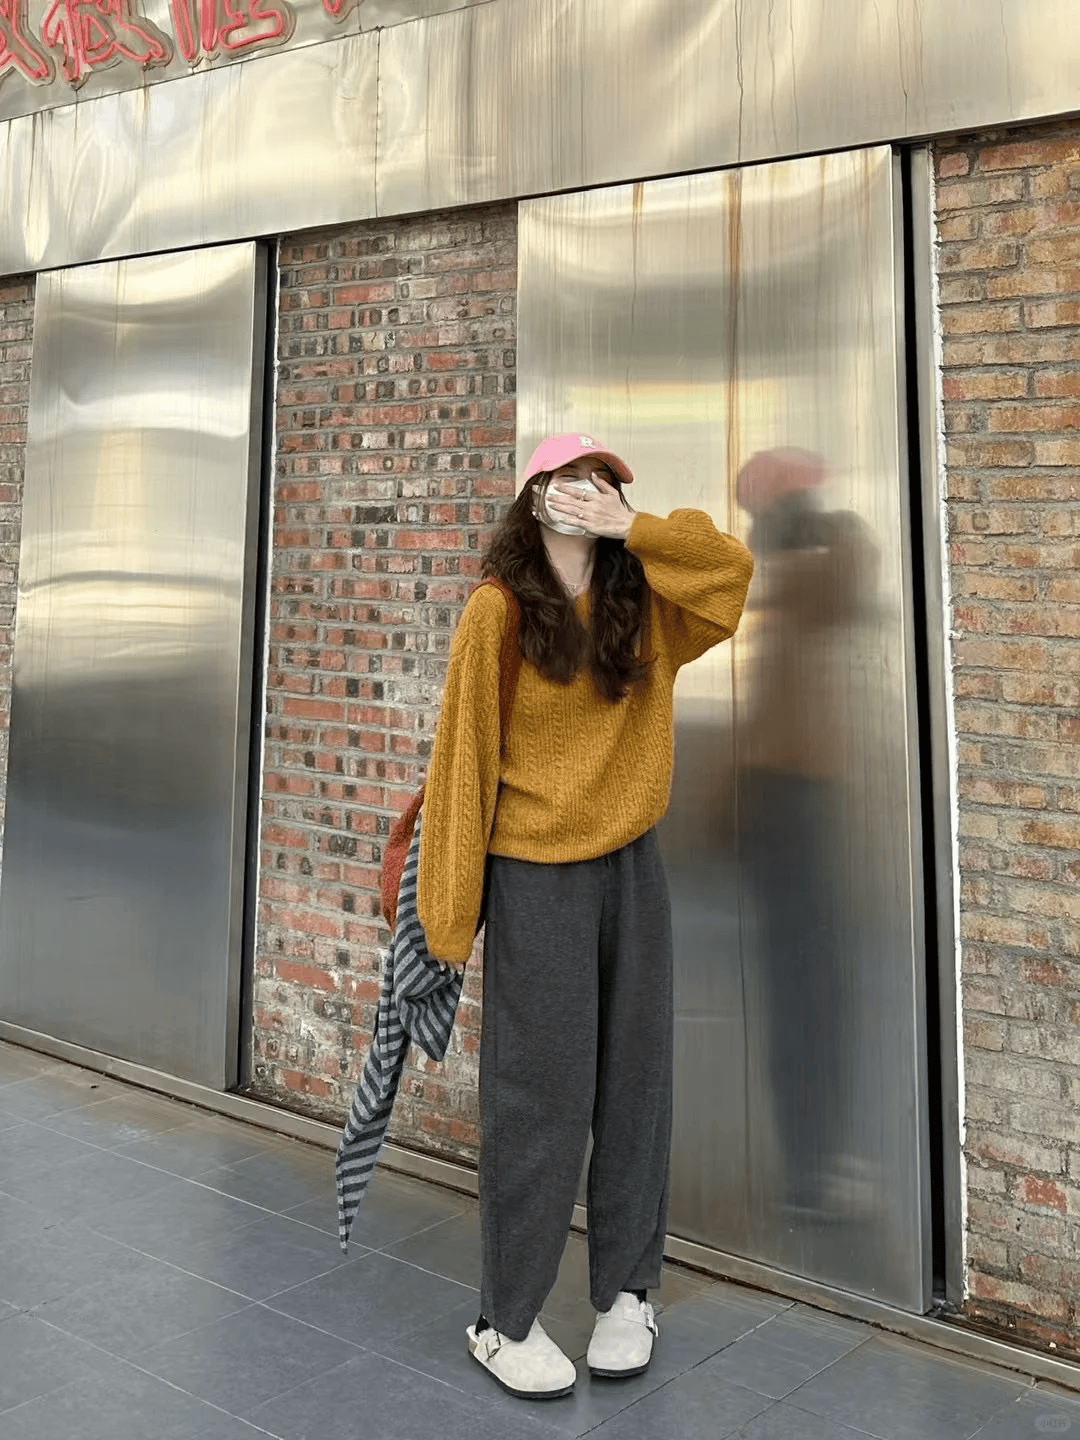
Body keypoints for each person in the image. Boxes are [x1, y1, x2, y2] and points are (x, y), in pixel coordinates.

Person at [416, 432, 753, 1400]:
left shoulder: (643, 597)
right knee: (539, 1099)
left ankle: (628, 1294)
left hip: (633, 866)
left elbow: (729, 576)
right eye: (567, 480)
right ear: (533, 498)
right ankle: (503, 1319)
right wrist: (447, 925)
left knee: (636, 1085)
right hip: (537, 879)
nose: (585, 493)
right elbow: (462, 764)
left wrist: (635, 529)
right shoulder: (497, 611)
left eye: (601, 481)